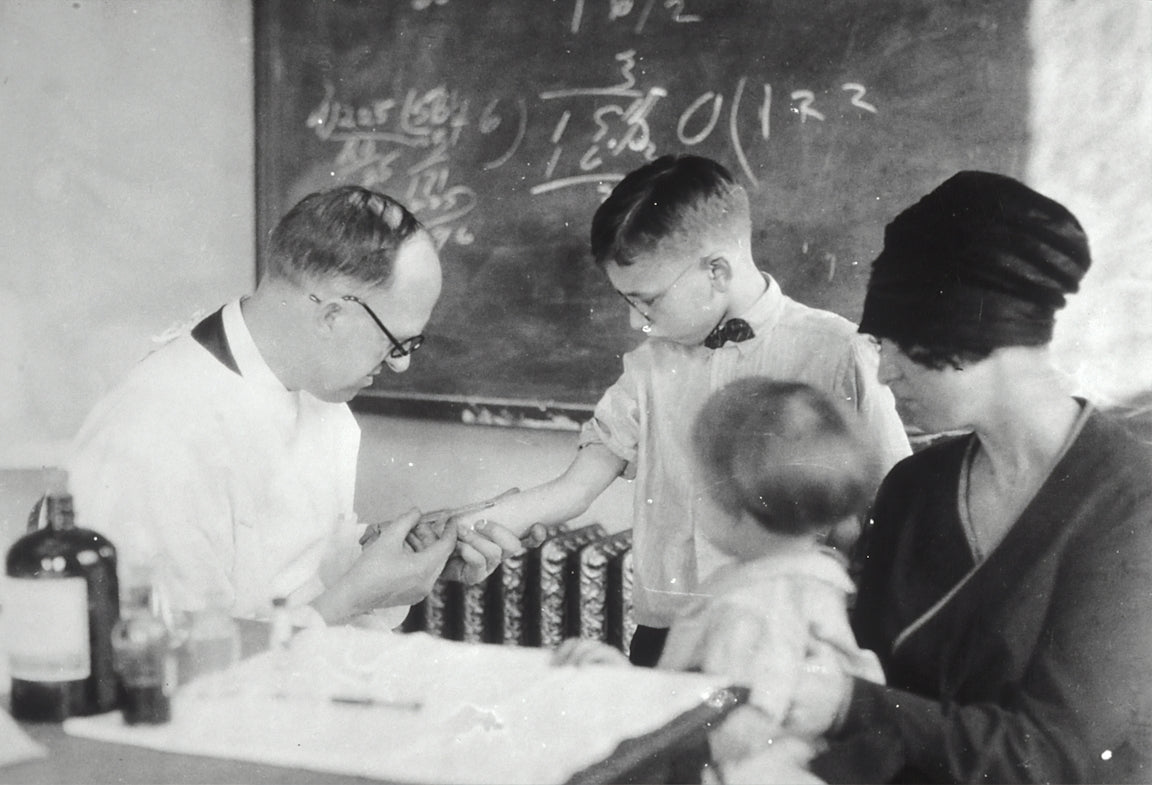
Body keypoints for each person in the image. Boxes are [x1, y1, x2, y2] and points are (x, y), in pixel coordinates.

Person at [445, 154, 911, 666]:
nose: (634, 320)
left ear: (717, 271)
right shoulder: (647, 368)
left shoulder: (839, 350)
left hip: (790, 632)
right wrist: (460, 527)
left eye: (646, 300)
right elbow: (572, 489)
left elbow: (894, 504)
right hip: (668, 633)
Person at [807, 171, 1152, 783]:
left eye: (896, 345)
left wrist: (846, 701)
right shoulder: (913, 487)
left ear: (966, 335)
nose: (883, 373)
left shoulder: (1133, 501)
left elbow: (1051, 754)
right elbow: (872, 675)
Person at [68, 186, 520, 629]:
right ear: (332, 317)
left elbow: (290, 564)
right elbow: (174, 658)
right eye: (397, 341)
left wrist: (394, 560)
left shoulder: (315, 388)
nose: (401, 365)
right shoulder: (157, 432)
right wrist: (353, 598)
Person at [554, 376, 885, 783]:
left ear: (736, 507)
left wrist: (633, 716)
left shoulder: (752, 608)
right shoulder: (811, 580)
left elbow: (730, 728)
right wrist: (634, 684)